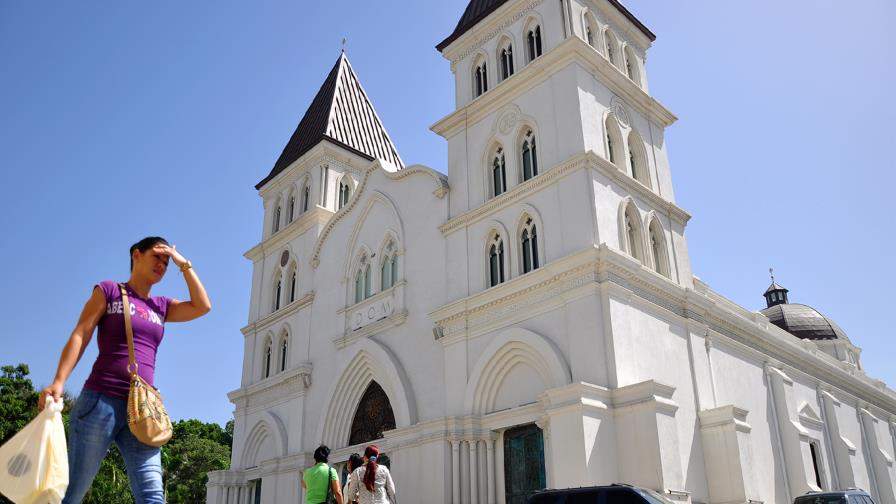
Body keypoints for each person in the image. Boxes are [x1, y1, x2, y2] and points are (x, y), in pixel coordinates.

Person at [38, 237, 211, 504]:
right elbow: (81, 334)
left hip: (143, 411)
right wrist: (59, 381)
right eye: (157, 256)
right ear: (136, 255)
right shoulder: (109, 291)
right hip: (100, 401)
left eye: (166, 262)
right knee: (73, 492)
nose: (162, 265)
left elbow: (202, 306)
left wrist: (182, 263)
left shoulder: (161, 306)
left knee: (153, 494)